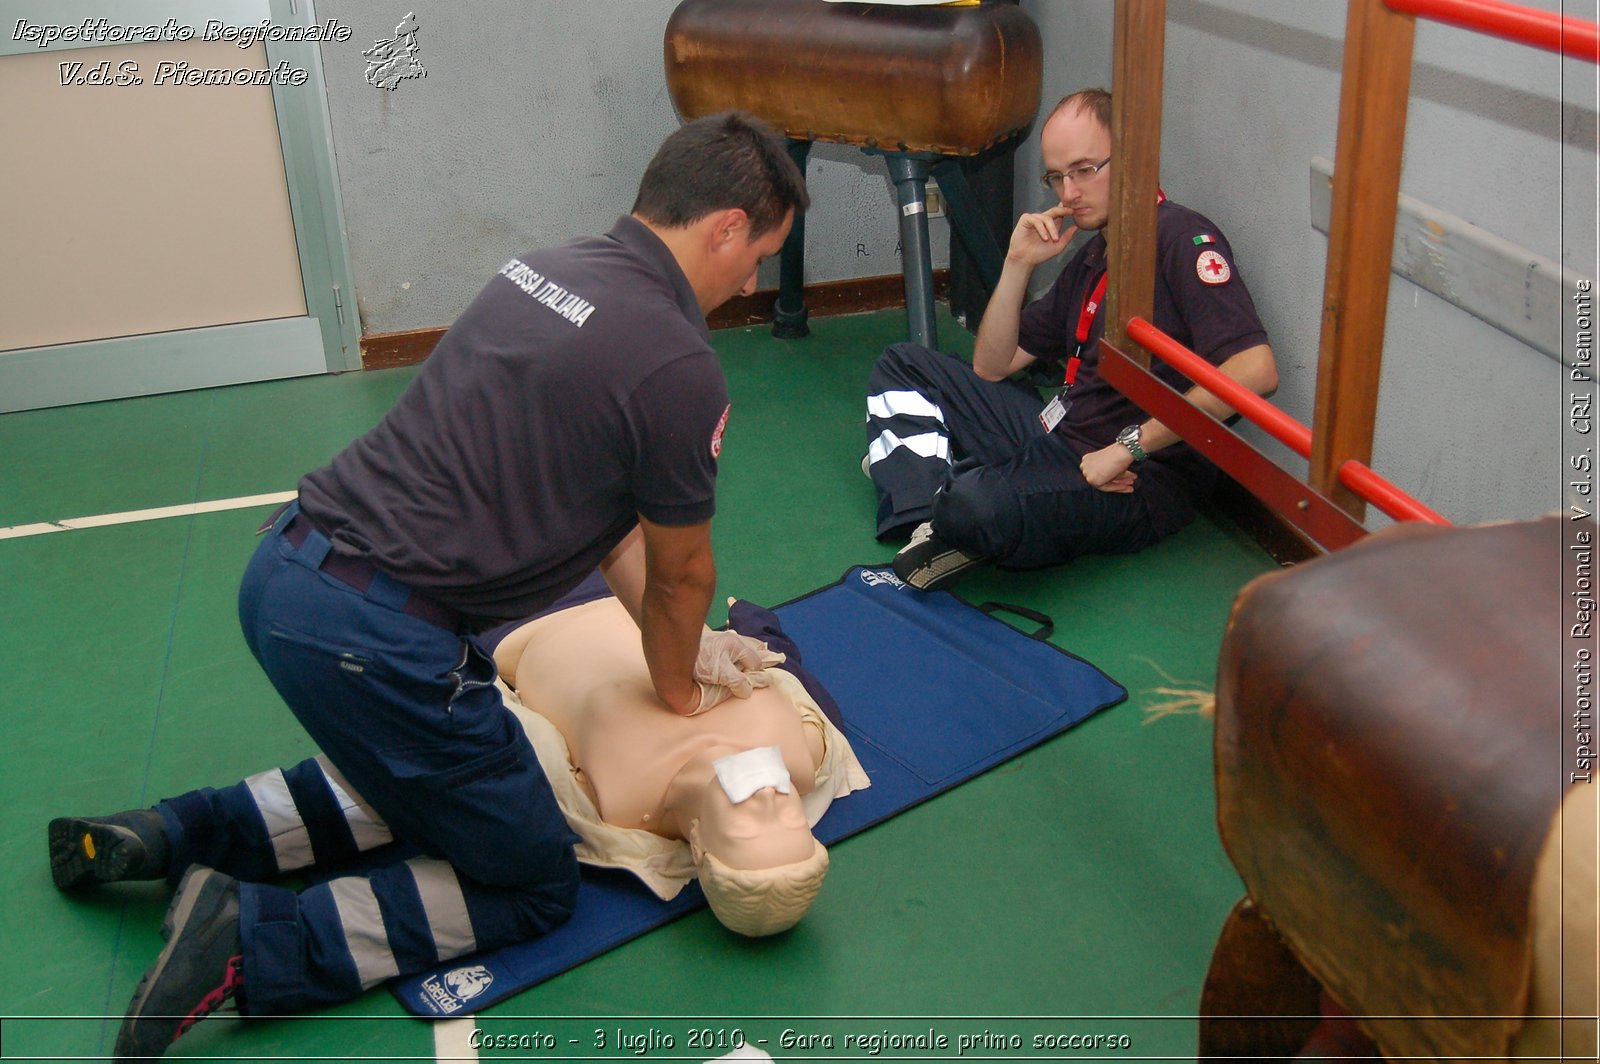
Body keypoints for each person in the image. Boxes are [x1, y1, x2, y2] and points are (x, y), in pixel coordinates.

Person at [46, 110, 808, 1061]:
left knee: (406, 778)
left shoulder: (550, 268)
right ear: (728, 225)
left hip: (285, 576)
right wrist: (682, 685)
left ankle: (164, 837)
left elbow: (618, 533)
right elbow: (684, 570)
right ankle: (249, 940)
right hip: (379, 643)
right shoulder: (675, 361)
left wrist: (678, 643)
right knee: (530, 881)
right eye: (759, 258)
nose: (751, 285)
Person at [866, 88, 1278, 590]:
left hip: (1132, 477)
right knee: (903, 364)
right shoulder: (1092, 253)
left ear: (1132, 157)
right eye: (1057, 177)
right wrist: (1017, 264)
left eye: (1084, 170)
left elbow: (1255, 371)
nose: (1068, 194)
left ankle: (944, 488)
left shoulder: (1181, 237)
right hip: (1058, 433)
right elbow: (992, 367)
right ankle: (934, 512)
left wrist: (1129, 448)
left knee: (979, 502)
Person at [491, 590, 869, 935]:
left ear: (701, 846)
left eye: (751, 827)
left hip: (521, 612)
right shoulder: (802, 755)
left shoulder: (617, 801)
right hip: (640, 580)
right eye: (790, 820)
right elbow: (786, 668)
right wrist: (749, 629)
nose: (769, 802)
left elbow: (508, 726)